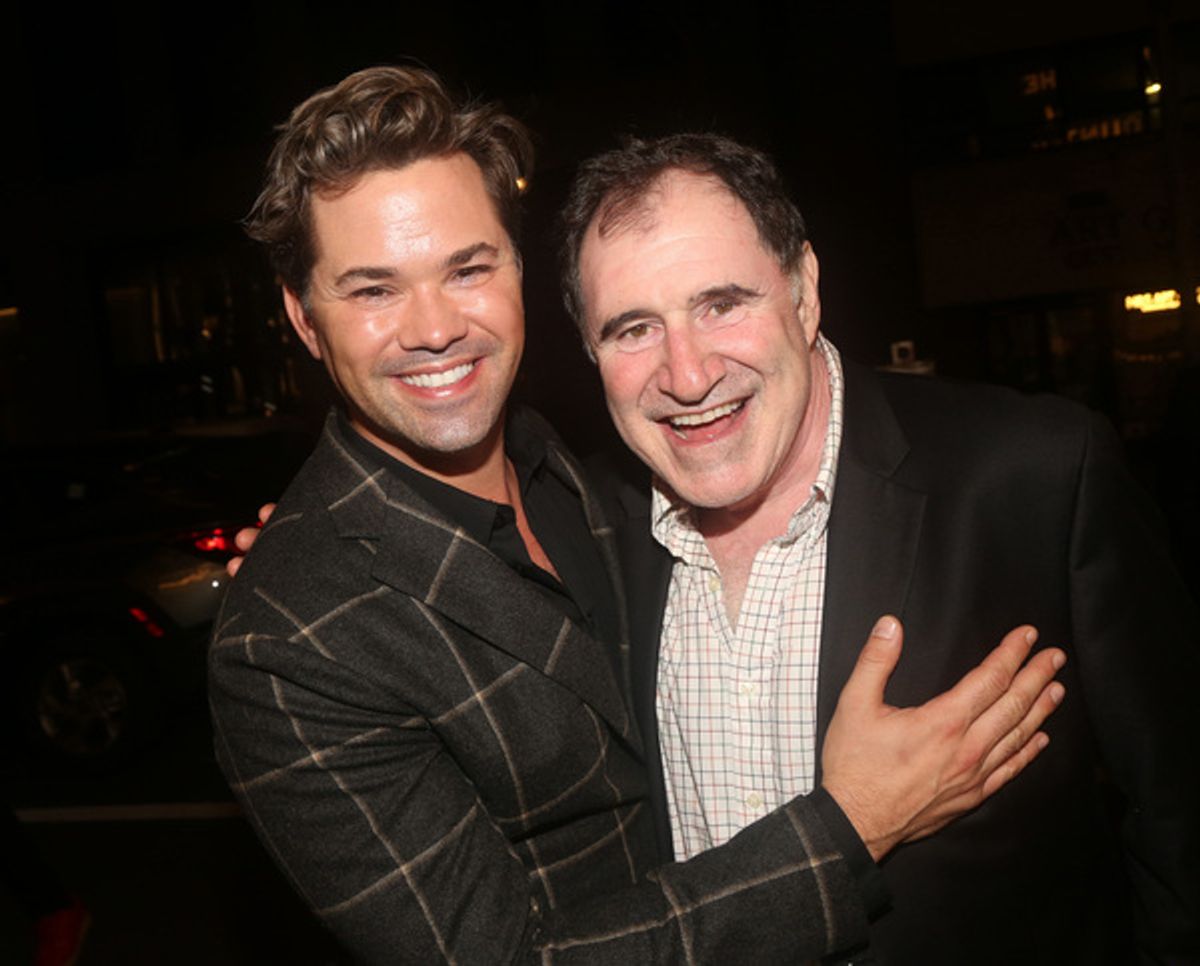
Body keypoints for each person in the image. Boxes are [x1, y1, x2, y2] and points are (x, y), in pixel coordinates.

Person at [209, 67, 1065, 965]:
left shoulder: (594, 474)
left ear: (518, 274)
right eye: (373, 289)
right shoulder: (284, 641)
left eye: (467, 268)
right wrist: (850, 825)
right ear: (305, 320)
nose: (434, 328)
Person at [559, 133, 1200, 964]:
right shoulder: (580, 533)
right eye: (634, 328)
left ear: (806, 289)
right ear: (589, 352)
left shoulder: (1031, 476)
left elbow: (1182, 815)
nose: (686, 373)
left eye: (722, 303)